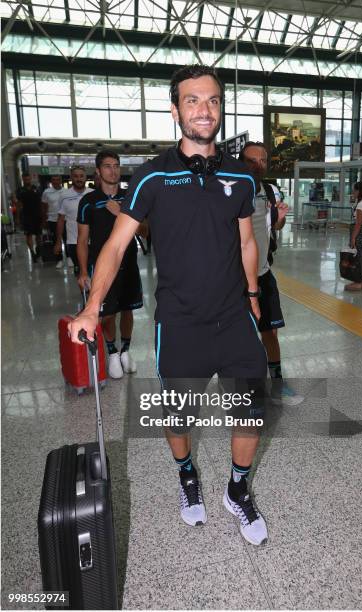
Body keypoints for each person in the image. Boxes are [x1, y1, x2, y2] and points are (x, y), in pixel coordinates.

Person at [69, 65, 269, 546]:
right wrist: (92, 306)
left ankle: (237, 489)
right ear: (175, 109)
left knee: (251, 413)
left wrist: (254, 295)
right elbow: (114, 247)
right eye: (194, 100)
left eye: (214, 101)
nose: (205, 110)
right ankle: (186, 473)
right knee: (179, 417)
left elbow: (245, 242)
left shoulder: (241, 177)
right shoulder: (153, 177)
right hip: (179, 323)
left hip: (235, 317)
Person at [239, 142, 303, 406]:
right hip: (234, 279)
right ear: (241, 161)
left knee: (271, 332)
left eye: (263, 160)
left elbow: (276, 224)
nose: (258, 165)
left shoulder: (270, 190)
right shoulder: (229, 189)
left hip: (263, 274)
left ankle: (276, 383)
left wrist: (279, 217)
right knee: (239, 336)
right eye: (252, 160)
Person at [77, 151, 143, 378]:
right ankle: (112, 352)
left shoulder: (130, 197)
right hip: (103, 266)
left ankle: (125, 351)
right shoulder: (88, 202)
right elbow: (82, 240)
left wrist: (122, 213)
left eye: (116, 165)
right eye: (107, 166)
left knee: (128, 309)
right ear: (98, 171)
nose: (113, 170)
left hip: (130, 262)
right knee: (107, 314)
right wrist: (84, 271)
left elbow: (144, 231)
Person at [54, 166, 92, 274]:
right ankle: (84, 291)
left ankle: (92, 291)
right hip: (73, 241)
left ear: (86, 178)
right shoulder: (64, 195)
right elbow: (61, 220)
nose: (79, 179)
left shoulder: (93, 194)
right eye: (75, 176)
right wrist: (58, 241)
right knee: (80, 271)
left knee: (93, 270)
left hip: (93, 241)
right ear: (71, 178)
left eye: (81, 176)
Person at [345, 180, 362, 291]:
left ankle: (358, 282)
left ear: (359, 191)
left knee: (356, 258)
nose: (353, 193)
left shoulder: (361, 205)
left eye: (354, 191)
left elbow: (358, 223)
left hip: (360, 233)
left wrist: (353, 238)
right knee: (361, 257)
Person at [15, 174, 42, 263]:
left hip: (37, 215)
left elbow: (41, 202)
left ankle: (38, 249)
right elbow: (18, 205)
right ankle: (32, 252)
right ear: (23, 179)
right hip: (26, 216)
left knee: (39, 235)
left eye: (28, 179)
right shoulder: (20, 190)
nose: (27, 180)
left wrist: (43, 215)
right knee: (28, 235)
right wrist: (18, 218)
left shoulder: (36, 188)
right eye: (25, 179)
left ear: (30, 179)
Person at [41, 175, 65, 269]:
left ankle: (69, 257)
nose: (56, 181)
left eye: (58, 179)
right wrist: (44, 220)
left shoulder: (65, 191)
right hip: (52, 219)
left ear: (60, 180)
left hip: (65, 219)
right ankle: (59, 259)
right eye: (54, 180)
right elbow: (43, 207)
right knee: (56, 239)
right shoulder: (46, 192)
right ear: (51, 181)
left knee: (67, 238)